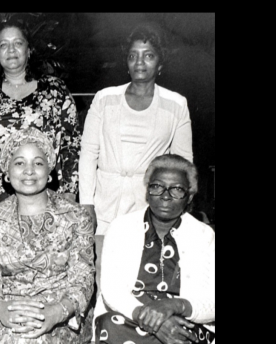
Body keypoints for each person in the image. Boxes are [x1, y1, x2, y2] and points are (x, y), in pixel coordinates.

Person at [0, 127, 95, 344]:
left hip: (62, 318)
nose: (29, 170)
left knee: (21, 343)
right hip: (9, 317)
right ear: (6, 172)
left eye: (38, 163)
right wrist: (1, 309)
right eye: (19, 163)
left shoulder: (76, 217)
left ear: (49, 172)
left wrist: (54, 313)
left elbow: (83, 278)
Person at [94, 154, 215, 344]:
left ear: (189, 197)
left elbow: (211, 300)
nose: (165, 196)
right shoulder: (121, 227)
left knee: (179, 330)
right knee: (110, 322)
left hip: (181, 319)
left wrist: (176, 306)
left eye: (177, 190)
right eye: (157, 187)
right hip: (130, 315)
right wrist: (150, 318)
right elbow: (112, 290)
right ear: (147, 192)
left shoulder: (203, 235)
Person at [78, 23, 192, 247]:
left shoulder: (176, 105)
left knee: (144, 276)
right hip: (104, 209)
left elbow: (182, 165)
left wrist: (176, 209)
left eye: (148, 55)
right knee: (103, 274)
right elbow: (88, 154)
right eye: (133, 55)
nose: (140, 62)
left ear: (160, 63)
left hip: (150, 210)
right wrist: (86, 204)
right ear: (127, 63)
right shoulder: (104, 99)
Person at [0, 20, 82, 221]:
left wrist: (70, 192)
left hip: (42, 197)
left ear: (29, 49)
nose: (11, 50)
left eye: (18, 43)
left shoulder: (55, 91)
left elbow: (71, 145)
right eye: (3, 45)